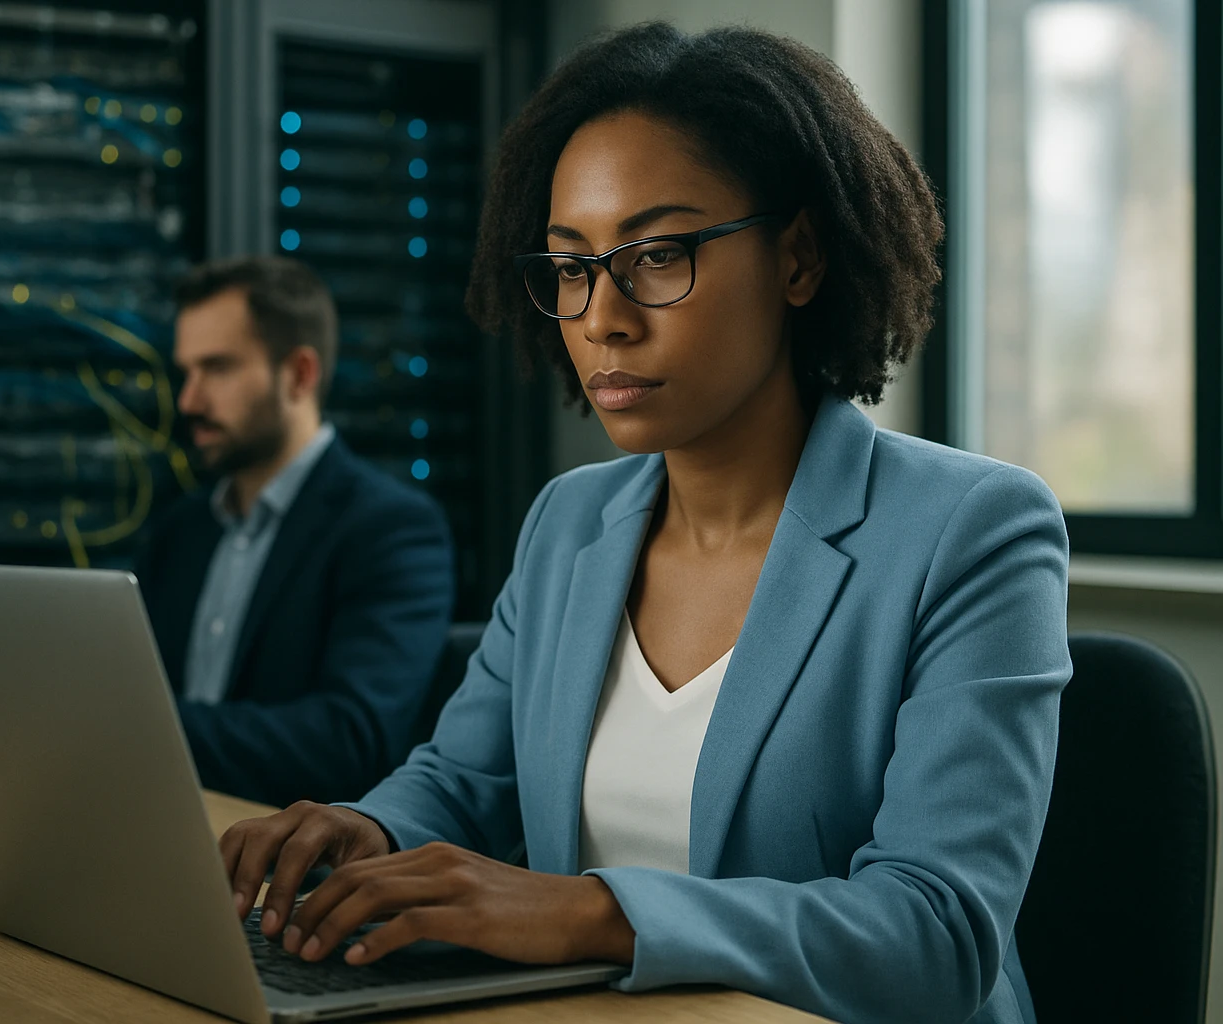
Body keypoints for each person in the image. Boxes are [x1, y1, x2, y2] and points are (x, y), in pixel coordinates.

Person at [217, 24, 1071, 1024]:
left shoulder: (974, 530)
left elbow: (935, 937)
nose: (603, 318)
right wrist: (369, 832)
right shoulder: (571, 520)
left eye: (657, 255)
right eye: (573, 268)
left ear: (799, 257)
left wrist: (594, 915)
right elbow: (462, 781)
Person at [134, 256, 456, 808]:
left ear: (300, 374)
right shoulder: (182, 530)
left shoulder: (392, 530)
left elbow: (350, 742)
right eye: (187, 372)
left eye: (217, 368)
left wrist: (139, 729)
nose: (190, 400)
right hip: (158, 824)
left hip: (290, 863)